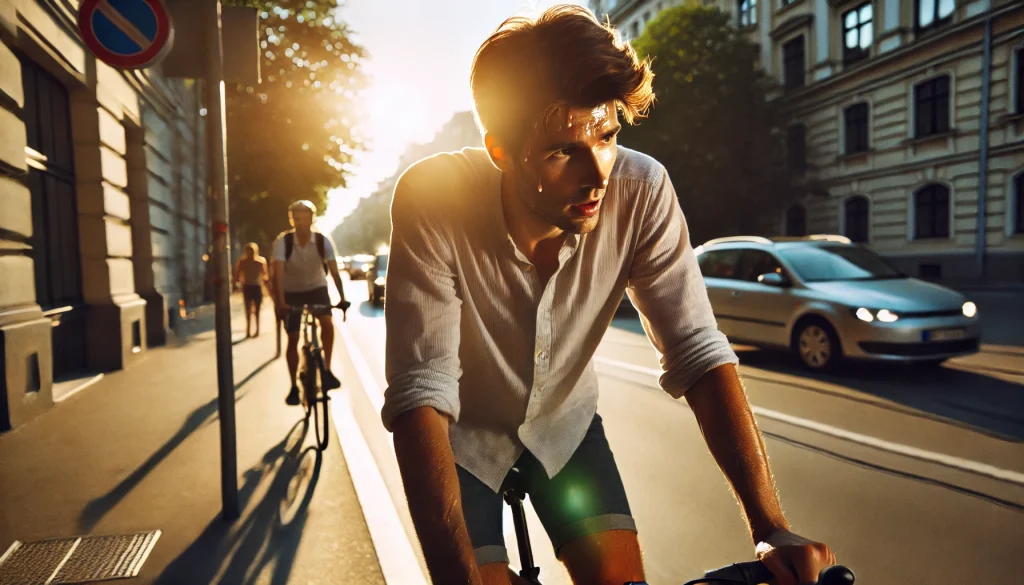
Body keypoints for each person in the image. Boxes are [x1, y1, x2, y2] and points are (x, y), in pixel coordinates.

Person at [381, 6, 836, 585]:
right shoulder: (433, 198)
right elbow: (421, 392)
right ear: (500, 151)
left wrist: (769, 526)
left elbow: (697, 351)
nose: (596, 173)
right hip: (459, 443)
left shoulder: (642, 191)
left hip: (564, 427)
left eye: (607, 135)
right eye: (560, 151)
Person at [273, 200, 350, 406]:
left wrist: (342, 298)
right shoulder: (284, 242)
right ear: (292, 220)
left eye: (305, 219)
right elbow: (278, 276)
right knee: (293, 337)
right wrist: (280, 302)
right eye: (297, 219)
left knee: (326, 323)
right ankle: (293, 386)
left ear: (312, 219)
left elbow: (334, 271)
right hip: (292, 292)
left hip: (317, 288)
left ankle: (326, 369)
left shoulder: (322, 241)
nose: (301, 223)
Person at [233, 242, 269, 338]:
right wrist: (237, 283)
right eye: (248, 251)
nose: (250, 253)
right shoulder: (242, 262)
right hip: (247, 287)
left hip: (257, 287)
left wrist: (266, 287)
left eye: (252, 251)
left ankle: (257, 330)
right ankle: (248, 330)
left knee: (257, 310)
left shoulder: (260, 262)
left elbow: (265, 275)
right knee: (247, 310)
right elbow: (237, 275)